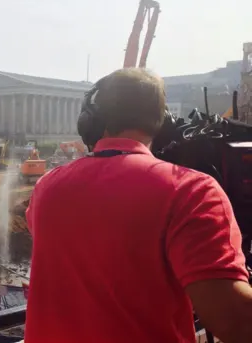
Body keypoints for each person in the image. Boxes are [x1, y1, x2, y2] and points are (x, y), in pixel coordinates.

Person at [24, 68, 252, 343]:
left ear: (90, 122)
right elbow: (235, 322)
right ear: (161, 123)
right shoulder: (191, 191)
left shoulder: (46, 188)